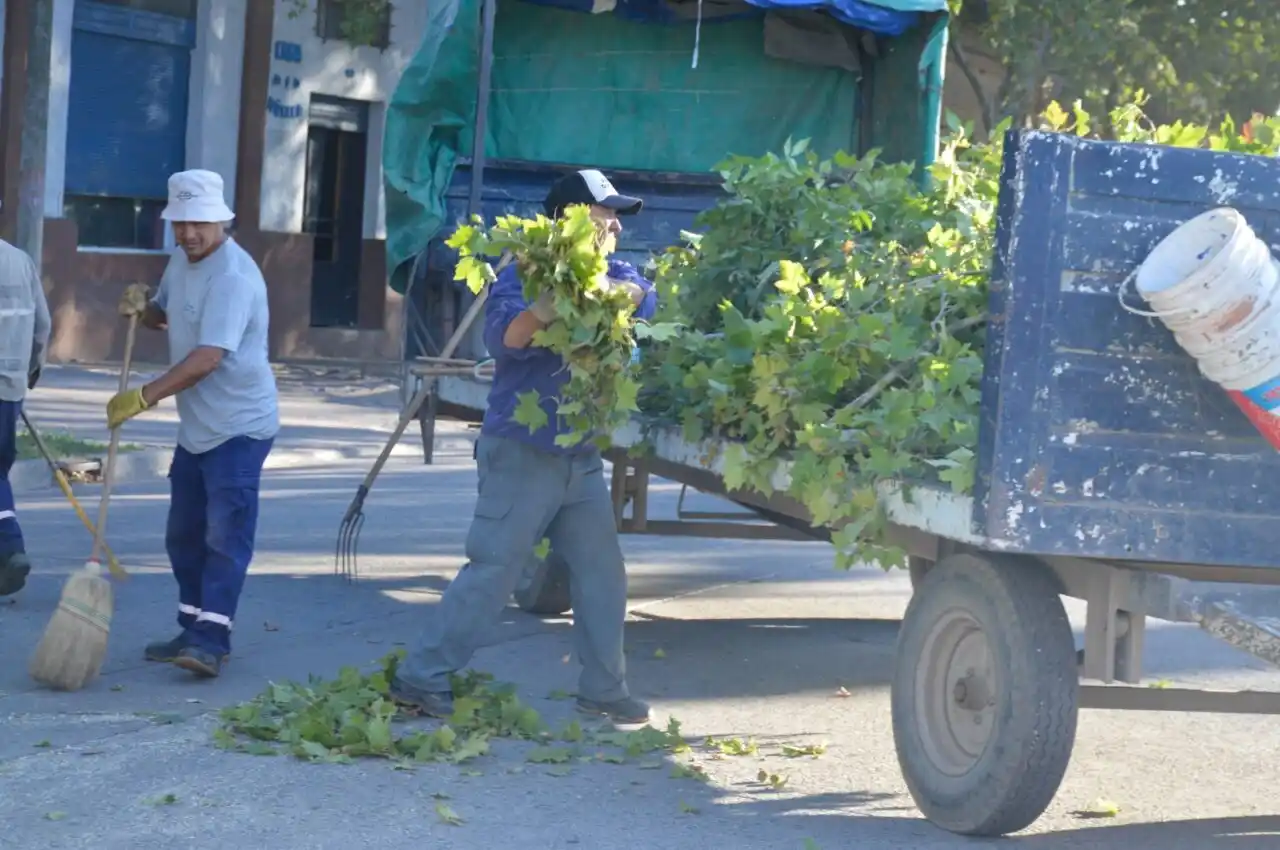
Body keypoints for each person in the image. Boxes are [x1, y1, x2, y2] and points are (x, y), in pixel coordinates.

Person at [390, 169, 656, 725]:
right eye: (603, 213)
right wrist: (549, 306)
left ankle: (604, 690)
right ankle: (421, 677)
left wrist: (593, 289)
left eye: (615, 216)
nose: (613, 225)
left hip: (578, 455)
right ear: (569, 219)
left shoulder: (618, 272)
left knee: (602, 573)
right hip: (522, 451)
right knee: (494, 570)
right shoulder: (522, 277)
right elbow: (505, 340)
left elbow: (640, 295)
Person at [110, 169, 279, 679]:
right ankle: (190, 628)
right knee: (183, 534)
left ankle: (212, 639)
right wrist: (146, 306)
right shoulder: (182, 262)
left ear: (221, 219)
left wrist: (144, 396)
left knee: (224, 535)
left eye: (198, 223)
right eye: (180, 222)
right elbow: (171, 312)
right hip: (198, 428)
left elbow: (208, 356)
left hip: (240, 427)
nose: (187, 233)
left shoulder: (233, 276)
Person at [0, 235, 51, 596]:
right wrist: (32, 369)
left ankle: (11, 546)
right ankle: (10, 550)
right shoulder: (20, 261)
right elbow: (42, 323)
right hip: (9, 390)